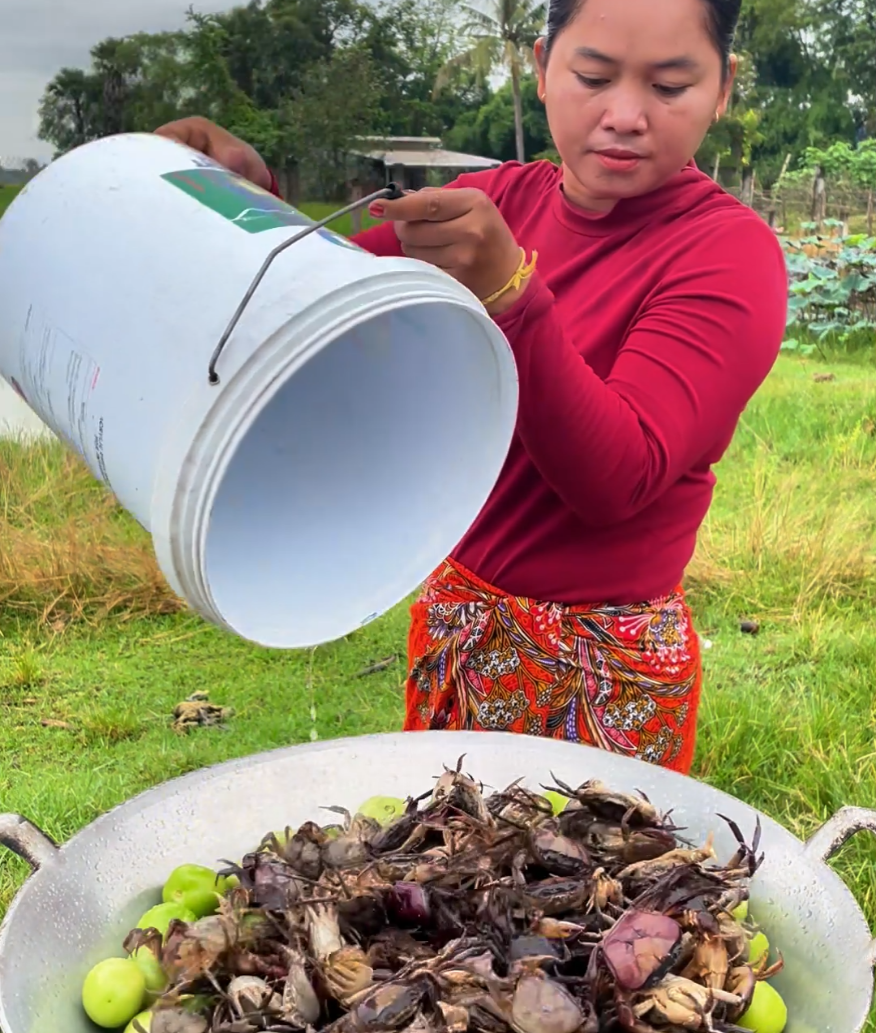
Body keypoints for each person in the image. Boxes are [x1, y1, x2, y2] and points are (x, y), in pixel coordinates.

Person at [155, 0, 787, 775]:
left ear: (723, 88)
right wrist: (244, 201)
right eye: (594, 77)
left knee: (592, 857)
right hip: (462, 630)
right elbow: (309, 299)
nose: (625, 116)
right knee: (443, 849)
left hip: (605, 668)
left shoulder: (727, 253)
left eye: (669, 86)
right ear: (542, 68)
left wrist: (511, 295)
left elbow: (616, 479)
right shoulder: (500, 205)